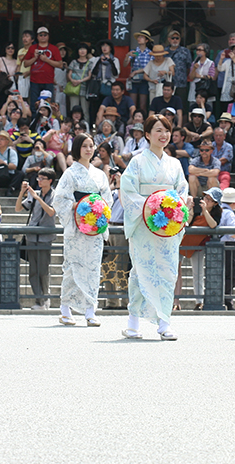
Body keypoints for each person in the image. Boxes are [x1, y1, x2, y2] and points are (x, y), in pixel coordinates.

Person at [120, 114, 189, 339]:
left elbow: (181, 191)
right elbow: (128, 191)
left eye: (167, 130)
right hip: (144, 223)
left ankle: (164, 321)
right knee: (141, 269)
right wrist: (151, 208)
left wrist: (172, 211)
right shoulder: (137, 161)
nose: (163, 135)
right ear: (147, 135)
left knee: (167, 270)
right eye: (158, 130)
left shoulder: (175, 163)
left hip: (167, 225)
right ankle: (133, 321)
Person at [52, 134, 114, 326]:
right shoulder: (70, 173)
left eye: (91, 146)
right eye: (84, 146)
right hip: (77, 224)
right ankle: (65, 308)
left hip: (94, 225)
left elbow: (107, 199)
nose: (88, 149)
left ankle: (90, 309)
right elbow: (60, 199)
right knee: (73, 265)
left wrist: (98, 209)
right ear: (77, 148)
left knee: (93, 267)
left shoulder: (100, 174)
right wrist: (80, 206)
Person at [17, 168, 57, 310]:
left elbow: (51, 212)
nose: (39, 181)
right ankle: (38, 299)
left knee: (43, 270)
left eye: (42, 178)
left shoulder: (54, 195)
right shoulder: (34, 194)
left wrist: (38, 198)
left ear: (50, 181)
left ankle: (45, 299)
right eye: (38, 178)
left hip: (45, 237)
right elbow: (18, 208)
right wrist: (23, 192)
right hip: (31, 236)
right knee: (33, 270)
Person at [24, 26, 64, 111]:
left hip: (48, 81)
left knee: (48, 103)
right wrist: (34, 57)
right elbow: (25, 64)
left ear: (48, 36)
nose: (43, 37)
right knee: (34, 104)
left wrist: (46, 60)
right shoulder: (32, 48)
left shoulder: (53, 48)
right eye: (41, 35)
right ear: (37, 37)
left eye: (45, 35)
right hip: (34, 80)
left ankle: (48, 121)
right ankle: (35, 121)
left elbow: (60, 65)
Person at [125, 30, 153, 116]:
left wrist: (136, 72)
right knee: (132, 104)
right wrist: (127, 55)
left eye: (141, 37)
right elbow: (125, 64)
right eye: (139, 37)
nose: (139, 39)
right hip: (134, 80)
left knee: (143, 104)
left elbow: (150, 67)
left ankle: (143, 121)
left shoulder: (150, 53)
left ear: (146, 40)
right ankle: (132, 119)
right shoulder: (134, 52)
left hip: (144, 79)